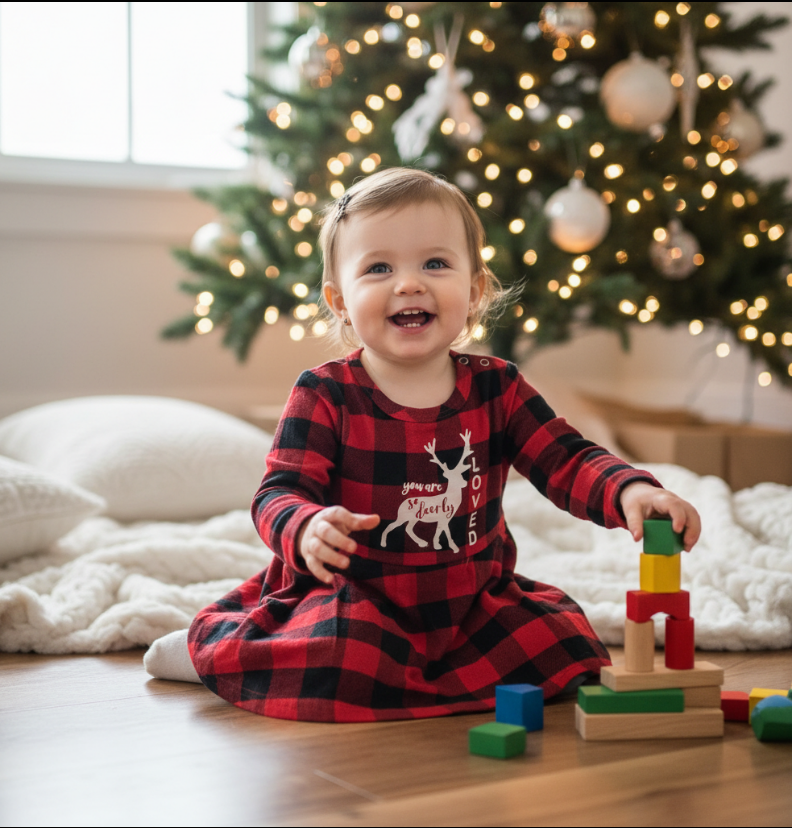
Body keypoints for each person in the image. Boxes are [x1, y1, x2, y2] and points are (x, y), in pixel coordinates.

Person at [187, 168, 701, 722]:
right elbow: (278, 493)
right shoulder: (326, 393)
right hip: (358, 597)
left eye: (435, 263)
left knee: (565, 640)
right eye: (379, 268)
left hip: (470, 601)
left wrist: (627, 491)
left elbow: (564, 457)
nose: (409, 284)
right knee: (341, 655)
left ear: (475, 289)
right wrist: (307, 527)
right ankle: (239, 657)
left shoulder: (496, 386)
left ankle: (434, 678)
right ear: (339, 301)